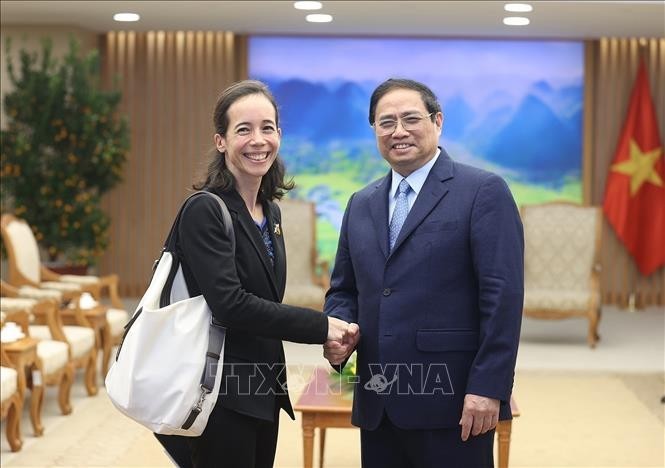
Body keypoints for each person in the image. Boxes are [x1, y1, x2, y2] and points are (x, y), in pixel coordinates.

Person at [323, 78, 524, 468]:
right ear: (374, 131)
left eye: (410, 119)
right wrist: (339, 330)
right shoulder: (360, 203)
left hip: (454, 403)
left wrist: (488, 387)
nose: (398, 131)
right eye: (386, 122)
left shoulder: (483, 191)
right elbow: (343, 290)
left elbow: (503, 298)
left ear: (437, 121)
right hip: (378, 398)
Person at [157, 79, 352, 468]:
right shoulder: (205, 211)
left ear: (279, 134)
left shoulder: (270, 212)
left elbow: (264, 301)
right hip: (216, 391)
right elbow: (231, 305)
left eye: (267, 127)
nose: (258, 140)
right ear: (221, 141)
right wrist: (322, 327)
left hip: (261, 387)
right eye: (243, 130)